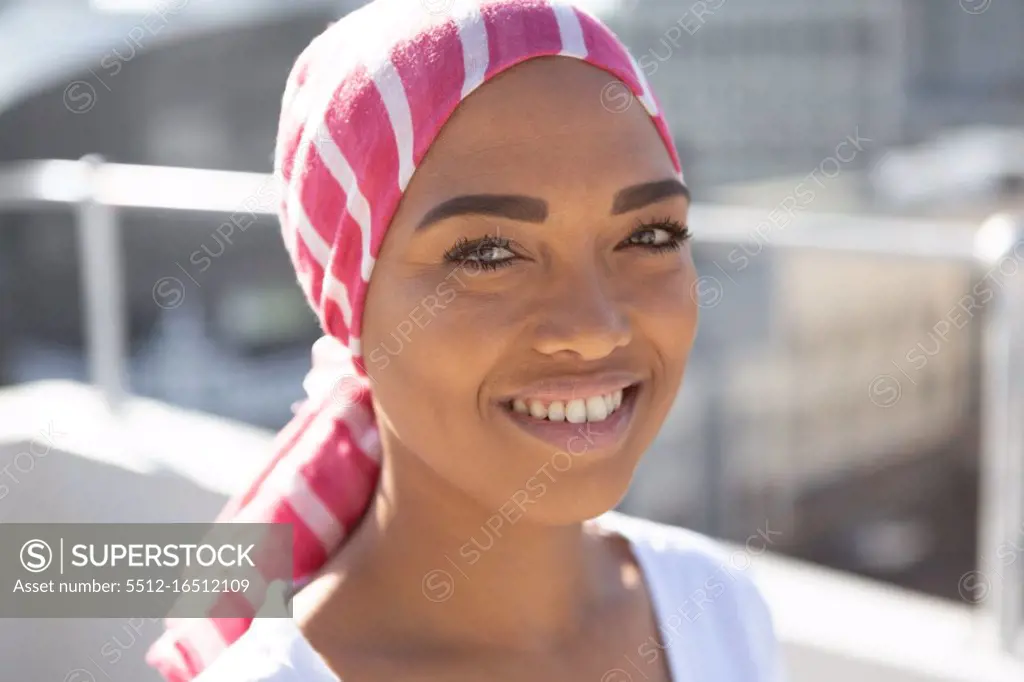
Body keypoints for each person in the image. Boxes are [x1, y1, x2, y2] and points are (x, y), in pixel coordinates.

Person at [146, 1, 785, 680]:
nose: (595, 328)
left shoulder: (717, 606)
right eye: (487, 254)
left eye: (649, 236)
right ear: (349, 307)